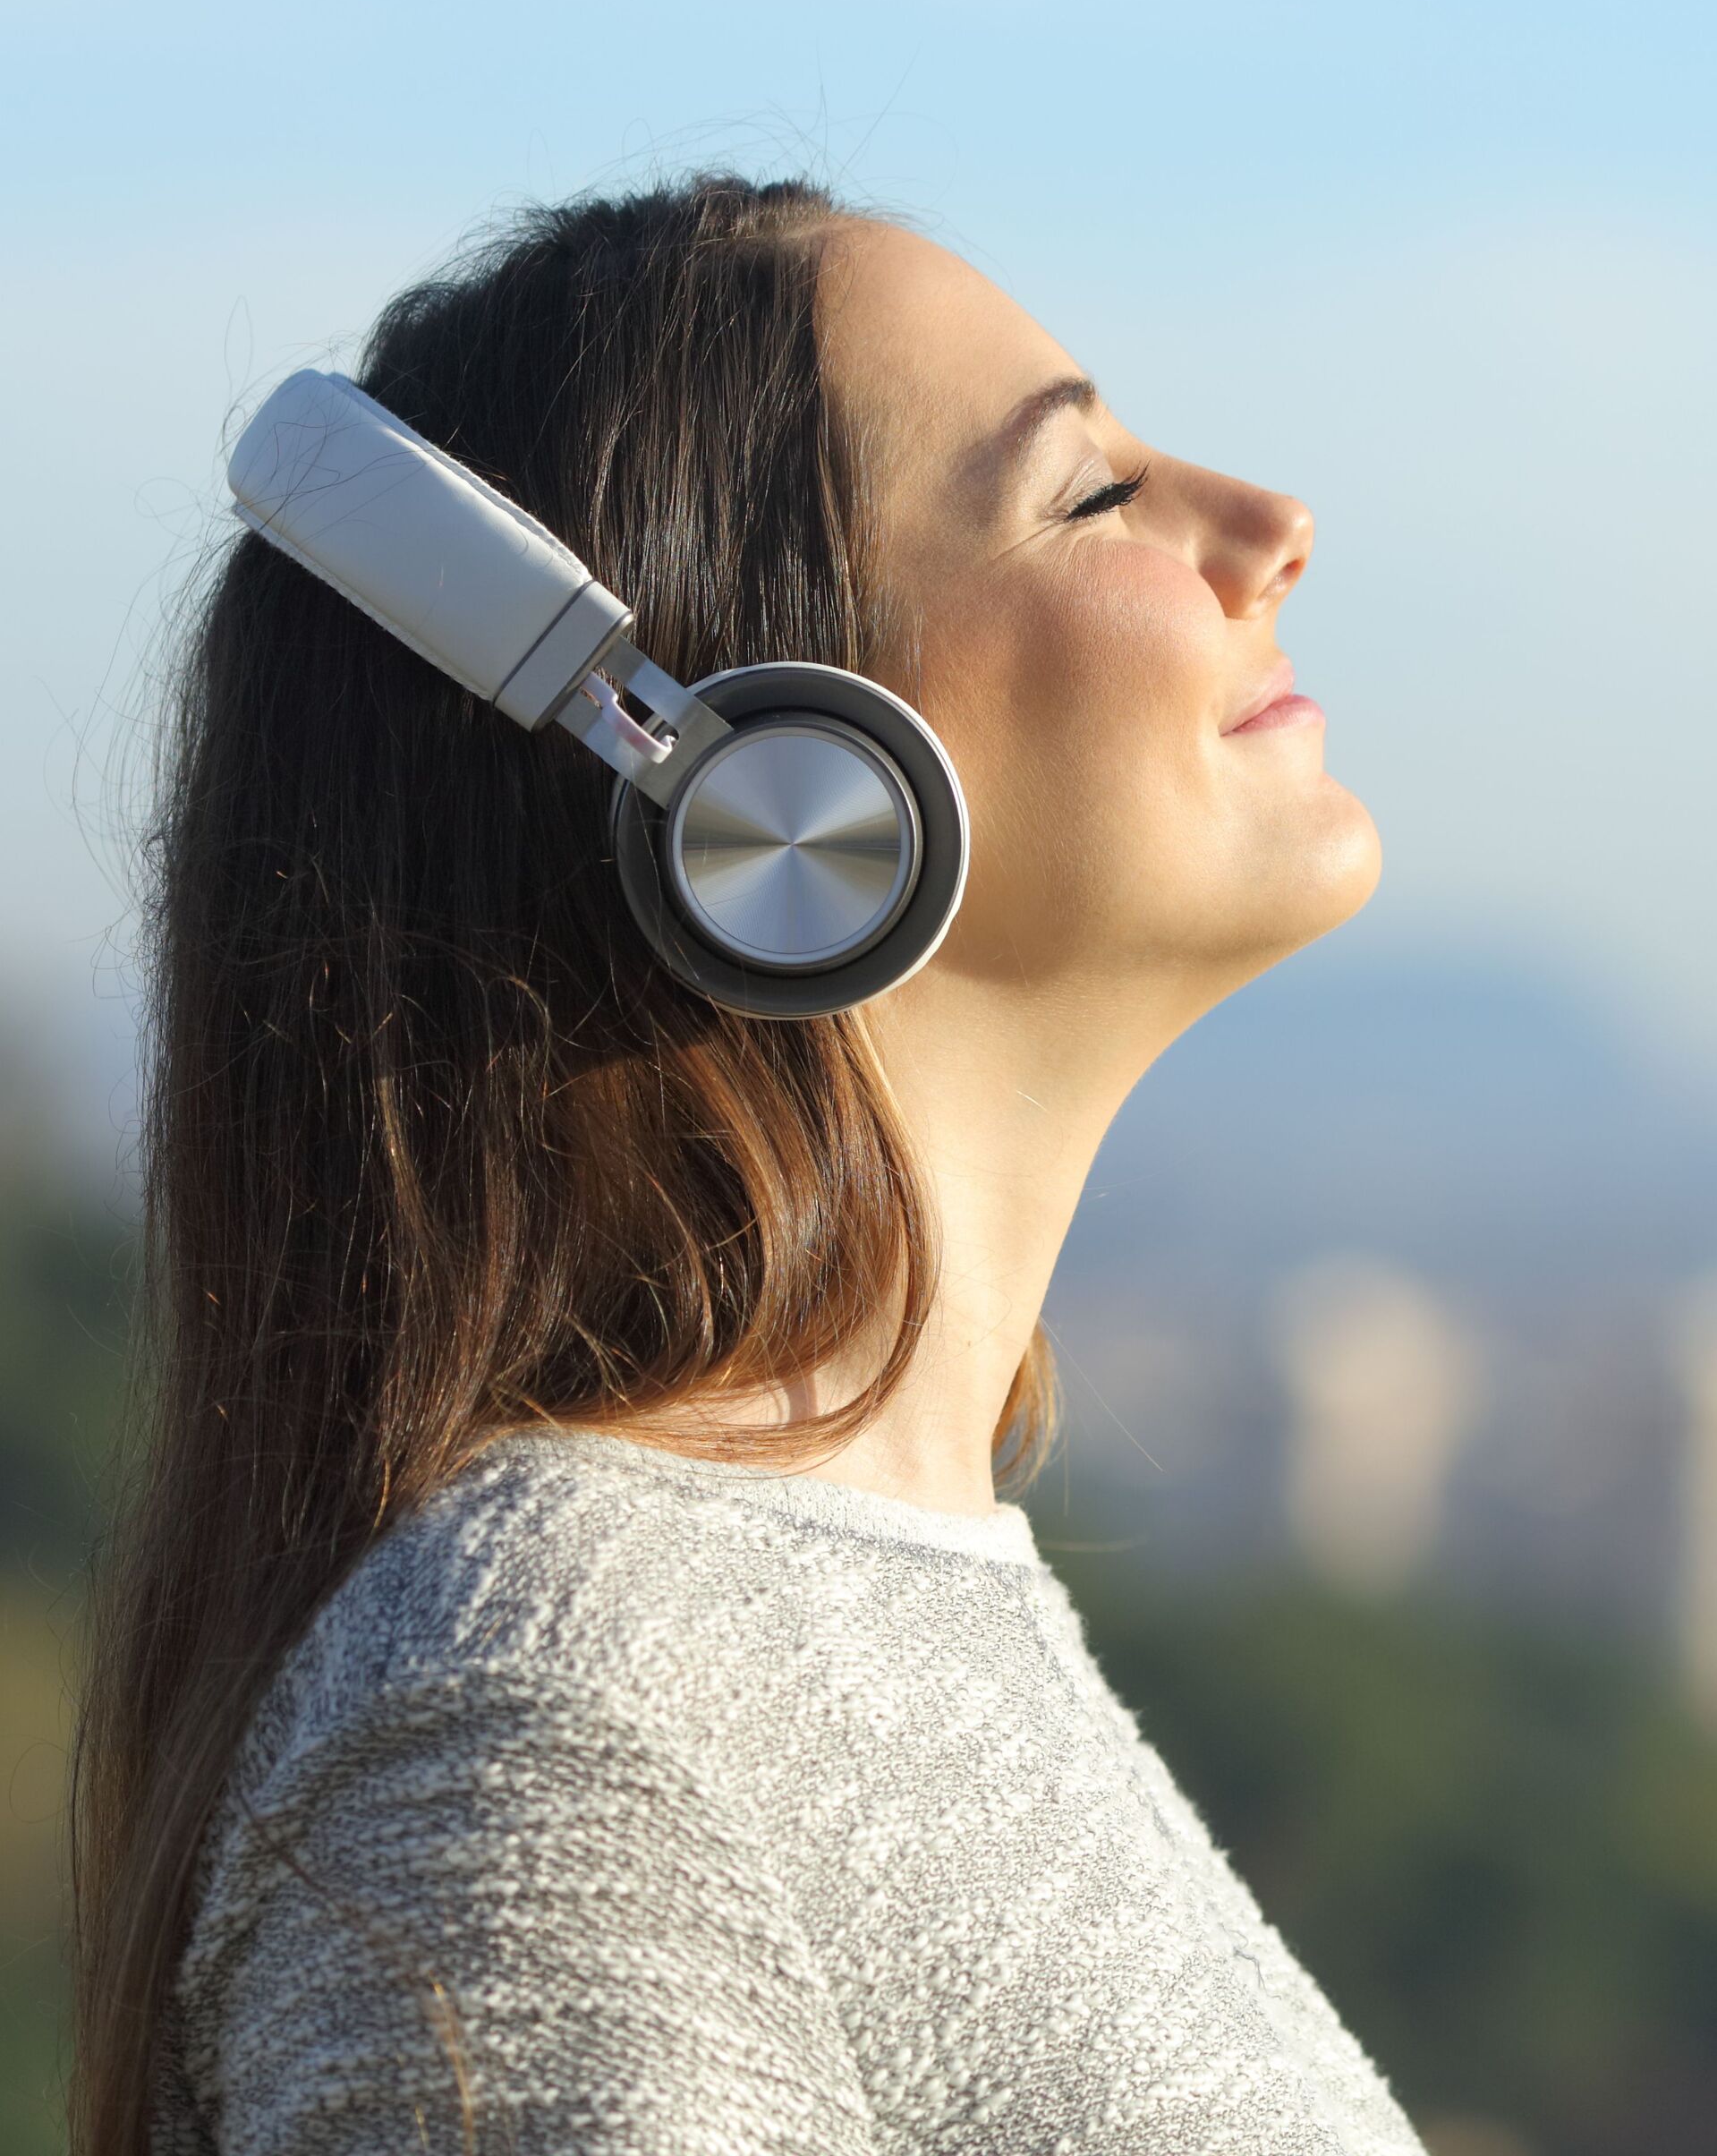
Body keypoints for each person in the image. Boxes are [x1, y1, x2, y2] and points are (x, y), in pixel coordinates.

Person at [70, 173, 1418, 2153]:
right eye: (1095, 495)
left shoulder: (838, 1609)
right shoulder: (552, 1703)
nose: (1268, 530)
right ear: (771, 791)